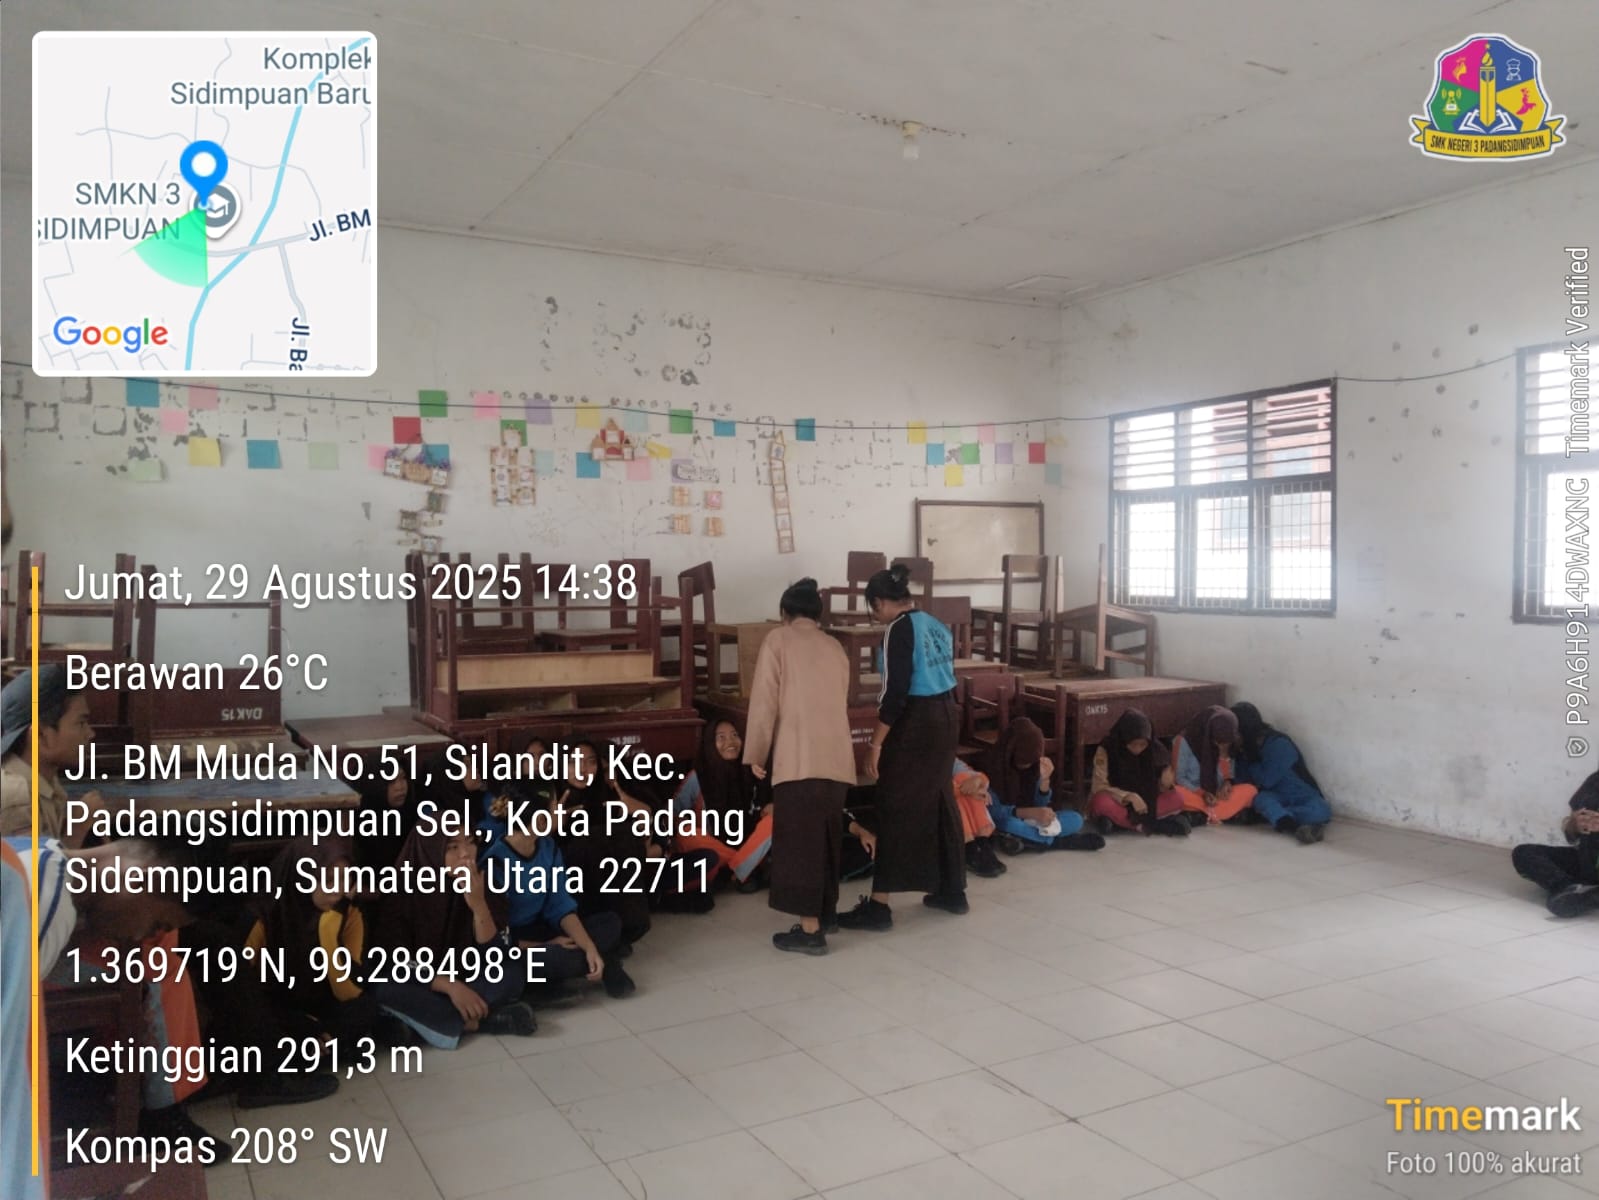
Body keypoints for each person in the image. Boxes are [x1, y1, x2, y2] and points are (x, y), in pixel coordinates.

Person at [840, 563, 966, 931]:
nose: (875, 615)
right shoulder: (935, 623)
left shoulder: (898, 630)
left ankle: (879, 906)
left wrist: (875, 744)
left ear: (880, 602)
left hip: (917, 723)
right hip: (947, 716)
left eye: (873, 608)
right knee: (940, 799)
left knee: (892, 803)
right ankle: (952, 890)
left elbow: (894, 695)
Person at [743, 578, 858, 954]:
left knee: (801, 846)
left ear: (784, 613)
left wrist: (756, 754)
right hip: (837, 759)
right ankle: (827, 915)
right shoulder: (835, 646)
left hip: (798, 759)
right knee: (826, 841)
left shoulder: (778, 640)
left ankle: (810, 931)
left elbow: (764, 702)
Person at [372, 820, 537, 1049]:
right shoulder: (403, 890)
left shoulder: (480, 881)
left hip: (466, 975)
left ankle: (424, 1022)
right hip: (423, 980)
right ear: (431, 850)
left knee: (511, 972)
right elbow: (394, 958)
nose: (466, 853)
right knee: (384, 989)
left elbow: (495, 954)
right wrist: (450, 986)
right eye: (453, 847)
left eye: (470, 843)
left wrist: (479, 906)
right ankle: (480, 1022)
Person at [477, 794, 637, 998]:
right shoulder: (494, 864)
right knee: (542, 960)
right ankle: (604, 961)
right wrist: (547, 944)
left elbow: (560, 906)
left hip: (545, 927)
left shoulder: (548, 846)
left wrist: (588, 946)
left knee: (610, 923)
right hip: (518, 941)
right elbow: (499, 938)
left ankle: (582, 963)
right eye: (554, 810)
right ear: (539, 819)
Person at [244, 836, 377, 1048]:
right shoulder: (263, 916)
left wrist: (327, 929)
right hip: (274, 1009)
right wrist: (296, 1023)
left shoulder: (348, 912)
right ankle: (320, 1048)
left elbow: (350, 991)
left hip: (322, 1003)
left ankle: (317, 1048)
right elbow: (241, 995)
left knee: (365, 1007)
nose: (339, 890)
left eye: (345, 878)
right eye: (329, 880)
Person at [551, 740, 653, 949]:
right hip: (565, 884)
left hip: (604, 881)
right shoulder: (551, 795)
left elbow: (643, 838)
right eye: (574, 762)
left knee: (622, 836)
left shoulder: (603, 795)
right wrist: (552, 825)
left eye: (590, 762)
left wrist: (642, 814)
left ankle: (627, 926)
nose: (583, 769)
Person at [0, 666, 105, 845]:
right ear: (41, 735)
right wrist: (78, 828)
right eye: (80, 723)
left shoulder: (46, 782)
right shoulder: (16, 797)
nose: (90, 733)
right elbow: (39, 863)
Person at [671, 719, 773, 891]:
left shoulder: (752, 770)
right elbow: (671, 814)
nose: (730, 742)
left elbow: (763, 805)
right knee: (684, 834)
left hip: (750, 846)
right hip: (714, 848)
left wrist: (768, 805)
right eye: (721, 737)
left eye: (735, 735)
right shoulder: (698, 776)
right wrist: (682, 822)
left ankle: (738, 869)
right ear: (710, 744)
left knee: (776, 817)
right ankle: (742, 869)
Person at [985, 718, 1105, 851]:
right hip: (1010, 818)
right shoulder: (994, 769)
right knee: (1010, 825)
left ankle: (1028, 842)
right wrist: (1027, 813)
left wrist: (1045, 781)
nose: (1027, 766)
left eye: (1030, 763)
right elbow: (994, 812)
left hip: (1034, 821)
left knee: (1076, 819)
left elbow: (1040, 804)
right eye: (1023, 762)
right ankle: (1061, 842)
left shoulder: (1035, 765)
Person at [1230, 702, 1331, 843]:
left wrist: (1251, 759)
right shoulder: (1243, 750)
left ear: (1245, 730)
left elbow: (1267, 780)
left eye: (1235, 733)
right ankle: (1294, 826)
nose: (1232, 737)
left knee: (1322, 811)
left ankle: (1275, 817)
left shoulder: (1279, 744)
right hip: (1274, 796)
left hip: (1301, 794)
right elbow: (1243, 782)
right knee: (1262, 799)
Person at [1087, 709, 1188, 836]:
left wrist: (1164, 784)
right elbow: (1098, 786)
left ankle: (1121, 824)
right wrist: (1128, 796)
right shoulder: (1107, 749)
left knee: (1178, 798)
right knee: (1101, 802)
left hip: (1146, 805)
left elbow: (1156, 787)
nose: (1138, 749)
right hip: (1118, 801)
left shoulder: (1154, 750)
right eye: (1133, 744)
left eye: (1143, 744)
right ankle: (1153, 825)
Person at [1512, 772, 1599, 918]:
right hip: (1586, 862)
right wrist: (1575, 825)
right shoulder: (1594, 782)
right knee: (1524, 853)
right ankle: (1568, 887)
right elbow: (1571, 835)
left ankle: (1587, 895)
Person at [1172, 706, 1258, 827]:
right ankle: (1218, 813)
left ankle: (1202, 815)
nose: (1222, 746)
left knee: (1251, 790)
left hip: (1216, 795)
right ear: (1209, 733)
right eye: (1218, 742)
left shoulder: (1231, 742)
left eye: (1227, 743)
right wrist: (1202, 793)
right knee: (1175, 793)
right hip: (1193, 792)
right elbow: (1179, 778)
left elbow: (1227, 776)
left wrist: (1227, 782)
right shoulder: (1184, 741)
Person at [950, 761, 1006, 876]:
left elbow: (978, 776)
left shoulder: (948, 757)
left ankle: (982, 843)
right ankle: (969, 848)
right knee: (958, 796)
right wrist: (962, 790)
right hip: (930, 803)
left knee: (964, 778)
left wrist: (978, 781)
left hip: (953, 792)